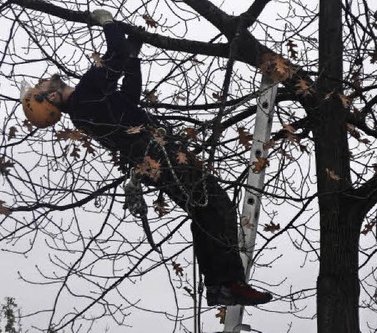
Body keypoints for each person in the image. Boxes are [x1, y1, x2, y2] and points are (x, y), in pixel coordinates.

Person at [20, 9, 272, 306]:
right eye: (42, 88)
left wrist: (135, 57)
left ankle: (220, 285)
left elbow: (128, 99)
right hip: (157, 154)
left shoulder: (84, 110)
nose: (46, 82)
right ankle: (228, 282)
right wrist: (108, 24)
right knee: (215, 204)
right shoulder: (86, 94)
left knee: (205, 211)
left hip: (152, 160)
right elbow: (114, 54)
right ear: (49, 99)